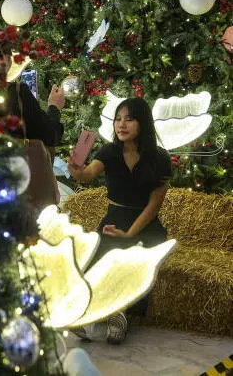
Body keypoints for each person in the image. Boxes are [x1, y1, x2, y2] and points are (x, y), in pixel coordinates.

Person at [67, 97, 172, 344]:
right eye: (117, 119)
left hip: (145, 223)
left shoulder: (159, 158)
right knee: (98, 255)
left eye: (129, 119)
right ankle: (87, 316)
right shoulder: (109, 151)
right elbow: (88, 175)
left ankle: (118, 315)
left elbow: (154, 205)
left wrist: (130, 233)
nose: (121, 125)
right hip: (114, 218)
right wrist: (77, 171)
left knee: (130, 256)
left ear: (143, 123)